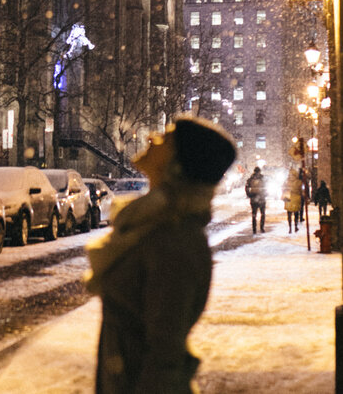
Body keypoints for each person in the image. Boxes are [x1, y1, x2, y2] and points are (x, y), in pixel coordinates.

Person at [85, 116, 236, 394]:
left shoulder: (173, 239)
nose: (151, 137)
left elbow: (165, 353)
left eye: (166, 137)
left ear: (176, 166)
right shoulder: (152, 225)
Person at [245, 166, 267, 233]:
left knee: (254, 214)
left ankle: (255, 229)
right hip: (260, 198)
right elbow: (266, 186)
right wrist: (265, 194)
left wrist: (249, 194)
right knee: (262, 214)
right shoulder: (262, 178)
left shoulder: (251, 179)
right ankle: (261, 228)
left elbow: (246, 188)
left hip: (254, 198)